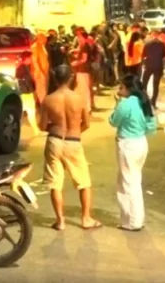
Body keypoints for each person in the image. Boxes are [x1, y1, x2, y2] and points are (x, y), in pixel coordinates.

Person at [39, 64, 100, 231]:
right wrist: (74, 133)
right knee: (84, 182)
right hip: (73, 141)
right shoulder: (79, 98)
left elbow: (42, 126)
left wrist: (55, 128)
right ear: (71, 78)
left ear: (54, 77)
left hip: (54, 140)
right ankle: (86, 219)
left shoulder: (48, 99)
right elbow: (86, 124)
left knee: (55, 183)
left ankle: (60, 221)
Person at [109, 74, 156, 231]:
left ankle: (133, 221)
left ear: (128, 89)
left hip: (127, 144)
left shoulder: (126, 104)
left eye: (121, 87)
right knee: (133, 180)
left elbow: (114, 121)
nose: (119, 90)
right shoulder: (144, 102)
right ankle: (132, 219)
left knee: (128, 183)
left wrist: (117, 106)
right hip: (141, 142)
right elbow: (151, 126)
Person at [69, 29, 94, 114]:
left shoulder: (85, 46)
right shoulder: (84, 45)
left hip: (83, 70)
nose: (78, 38)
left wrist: (75, 63)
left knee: (83, 89)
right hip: (83, 70)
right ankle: (83, 107)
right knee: (81, 89)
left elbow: (84, 59)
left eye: (79, 37)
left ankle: (86, 108)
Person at [141, 31, 165, 105]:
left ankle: (144, 99)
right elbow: (163, 55)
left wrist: (144, 63)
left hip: (149, 65)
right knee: (156, 85)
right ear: (158, 35)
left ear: (152, 35)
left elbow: (143, 55)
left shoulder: (147, 44)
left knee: (144, 82)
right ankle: (153, 102)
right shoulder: (162, 44)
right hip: (158, 66)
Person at [30, 32, 50, 110]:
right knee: (40, 90)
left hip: (44, 72)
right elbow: (34, 60)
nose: (45, 39)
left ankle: (43, 106)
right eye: (44, 37)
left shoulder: (42, 46)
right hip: (39, 73)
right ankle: (42, 107)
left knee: (43, 90)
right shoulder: (35, 47)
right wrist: (38, 71)